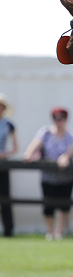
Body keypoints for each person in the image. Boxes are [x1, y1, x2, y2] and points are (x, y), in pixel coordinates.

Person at [24, 108, 73, 240]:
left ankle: (59, 232)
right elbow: (35, 145)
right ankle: (50, 232)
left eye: (61, 118)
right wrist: (29, 154)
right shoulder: (45, 132)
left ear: (66, 119)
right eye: (56, 118)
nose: (58, 121)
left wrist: (65, 157)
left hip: (66, 176)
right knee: (48, 205)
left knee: (64, 205)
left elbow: (71, 151)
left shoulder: (71, 135)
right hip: (48, 176)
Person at [0, 94, 17, 237]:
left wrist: (4, 154)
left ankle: (8, 230)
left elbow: (15, 147)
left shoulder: (8, 124)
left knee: (5, 197)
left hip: (3, 164)